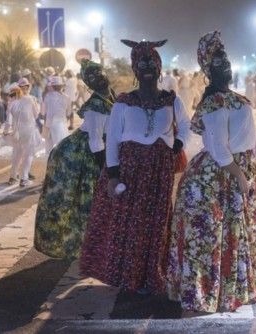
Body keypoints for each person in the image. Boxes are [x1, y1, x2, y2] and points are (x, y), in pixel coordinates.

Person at [80, 38, 191, 294]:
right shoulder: (123, 102)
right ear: (135, 71)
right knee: (131, 221)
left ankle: (151, 273)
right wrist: (112, 175)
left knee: (156, 221)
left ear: (159, 68)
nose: (148, 69)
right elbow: (113, 140)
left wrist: (178, 143)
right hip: (130, 168)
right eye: (142, 65)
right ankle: (129, 275)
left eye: (152, 63)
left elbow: (185, 124)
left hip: (160, 169)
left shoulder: (171, 100)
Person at [166, 31, 256, 314]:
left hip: (234, 170)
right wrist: (240, 175)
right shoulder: (214, 105)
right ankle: (208, 292)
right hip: (219, 177)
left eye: (227, 62)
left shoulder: (233, 98)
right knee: (212, 236)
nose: (227, 67)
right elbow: (219, 150)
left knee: (234, 233)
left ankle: (231, 289)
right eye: (220, 65)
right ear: (209, 72)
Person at [34, 60, 116, 259]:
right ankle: (83, 246)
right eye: (93, 78)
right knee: (83, 201)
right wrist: (107, 168)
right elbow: (96, 141)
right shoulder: (96, 105)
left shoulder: (111, 97)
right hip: (85, 154)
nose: (99, 79)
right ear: (89, 84)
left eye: (99, 74)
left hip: (100, 147)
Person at [3, 84, 41, 187]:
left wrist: (6, 131)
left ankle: (13, 176)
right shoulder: (30, 99)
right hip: (29, 130)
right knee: (29, 154)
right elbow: (36, 114)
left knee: (16, 155)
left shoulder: (11, 104)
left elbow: (8, 122)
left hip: (17, 133)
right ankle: (24, 179)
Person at [41, 76, 71, 153]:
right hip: (62, 124)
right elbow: (69, 113)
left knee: (48, 149)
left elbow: (43, 112)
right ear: (61, 86)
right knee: (62, 148)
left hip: (49, 124)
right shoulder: (67, 97)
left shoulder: (47, 96)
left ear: (52, 86)